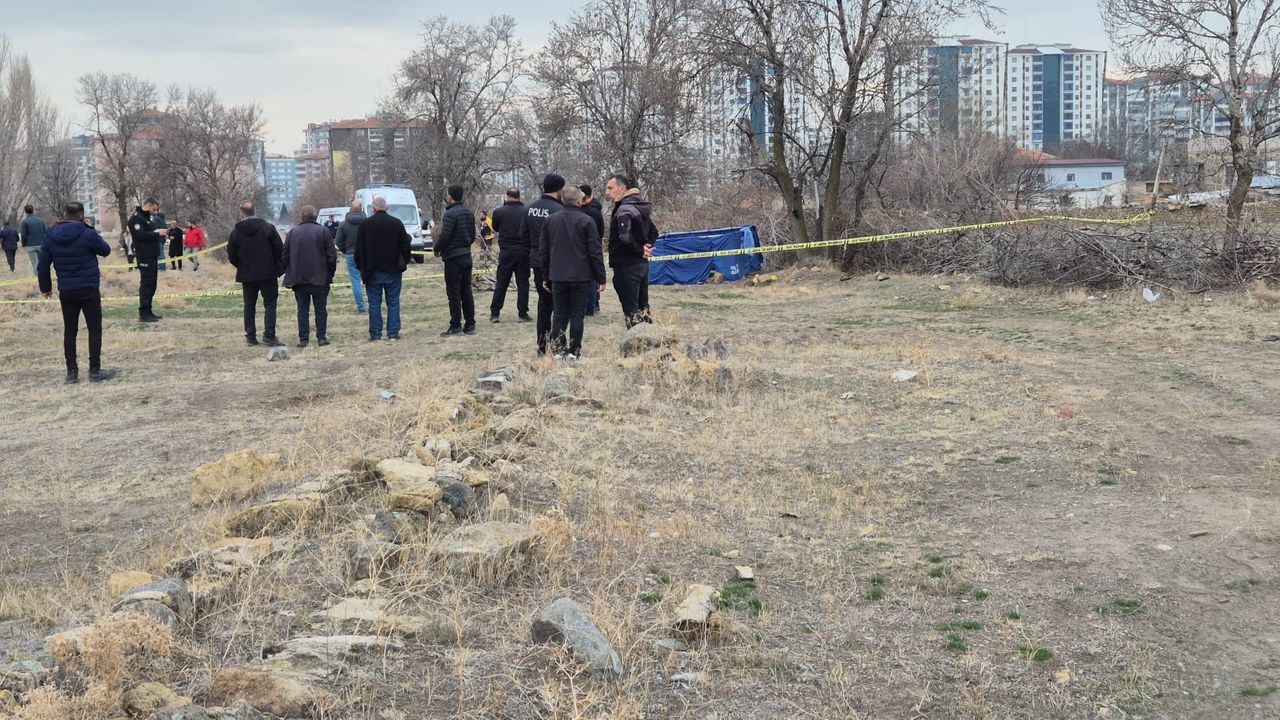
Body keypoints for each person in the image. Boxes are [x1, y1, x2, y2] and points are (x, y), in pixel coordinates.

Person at [37, 202, 116, 384]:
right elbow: (105, 250)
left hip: (66, 290)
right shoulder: (87, 233)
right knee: (94, 329)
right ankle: (94, 370)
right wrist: (91, 229)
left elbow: (42, 266)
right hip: (88, 288)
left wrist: (46, 288)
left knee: (70, 331)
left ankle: (71, 372)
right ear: (81, 215)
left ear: (65, 214)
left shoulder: (51, 234)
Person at [536, 185, 605, 359]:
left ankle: (559, 349)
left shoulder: (551, 220)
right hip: (581, 276)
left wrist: (545, 275)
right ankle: (574, 350)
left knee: (559, 314)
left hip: (558, 275)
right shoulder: (587, 221)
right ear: (579, 201)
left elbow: (544, 251)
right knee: (577, 314)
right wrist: (600, 277)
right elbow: (595, 251)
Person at [227, 201, 284, 346]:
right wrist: (277, 267)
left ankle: (250, 337)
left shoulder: (236, 232)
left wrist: (241, 266)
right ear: (255, 211)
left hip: (247, 274)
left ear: (242, 213)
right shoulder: (268, 228)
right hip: (268, 273)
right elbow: (279, 249)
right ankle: (269, 336)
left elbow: (231, 255)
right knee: (270, 304)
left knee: (249, 305)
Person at [355, 194, 411, 341]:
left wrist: (361, 266)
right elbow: (406, 245)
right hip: (393, 270)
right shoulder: (396, 223)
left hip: (371, 270)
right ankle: (393, 333)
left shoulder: (365, 225)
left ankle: (375, 334)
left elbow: (358, 249)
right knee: (393, 302)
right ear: (387, 208)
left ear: (373, 208)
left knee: (374, 303)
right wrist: (403, 262)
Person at [604, 174, 658, 327]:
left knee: (631, 310)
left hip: (627, 266)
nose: (607, 192)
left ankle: (637, 340)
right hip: (642, 265)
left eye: (610, 188)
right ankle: (651, 338)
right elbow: (654, 231)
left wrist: (641, 250)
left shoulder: (625, 209)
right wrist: (646, 247)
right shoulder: (639, 206)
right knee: (643, 307)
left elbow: (625, 237)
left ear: (622, 189)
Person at [523, 173, 566, 355]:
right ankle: (559, 345)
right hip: (556, 262)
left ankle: (542, 346)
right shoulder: (560, 210)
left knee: (543, 304)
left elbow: (523, 236)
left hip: (537, 261)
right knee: (559, 305)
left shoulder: (530, 209)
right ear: (559, 190)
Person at [283, 205, 337, 348]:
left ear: (301, 217)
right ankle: (321, 337)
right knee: (320, 308)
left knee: (302, 310)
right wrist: (329, 274)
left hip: (299, 278)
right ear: (315, 216)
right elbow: (332, 256)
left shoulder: (292, 233)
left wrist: (290, 272)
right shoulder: (324, 231)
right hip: (320, 277)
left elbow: (285, 256)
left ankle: (303, 339)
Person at [435, 184, 477, 337]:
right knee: (466, 291)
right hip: (466, 255)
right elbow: (472, 235)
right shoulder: (468, 212)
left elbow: (445, 236)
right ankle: (470, 324)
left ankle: (456, 326)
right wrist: (465, 245)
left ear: (451, 197)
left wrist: (437, 248)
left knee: (453, 293)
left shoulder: (450, 214)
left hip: (453, 258)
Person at [489, 188, 529, 324]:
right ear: (519, 196)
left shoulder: (499, 212)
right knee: (523, 283)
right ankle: (522, 313)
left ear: (507, 196)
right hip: (523, 250)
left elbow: (495, 228)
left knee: (502, 282)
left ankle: (495, 313)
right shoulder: (526, 211)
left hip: (506, 250)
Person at [128, 199, 168, 322]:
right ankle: (143, 313)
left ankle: (149, 311)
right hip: (144, 255)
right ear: (148, 206)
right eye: (154, 209)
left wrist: (158, 233)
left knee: (152, 284)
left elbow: (148, 232)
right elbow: (140, 235)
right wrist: (157, 233)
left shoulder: (146, 218)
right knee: (146, 284)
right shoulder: (136, 218)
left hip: (151, 255)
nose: (156, 211)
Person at [334, 200, 368, 313]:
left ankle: (361, 307)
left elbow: (338, 241)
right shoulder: (368, 223)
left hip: (351, 254)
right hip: (366, 254)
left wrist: (346, 250)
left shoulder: (343, 224)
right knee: (370, 279)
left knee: (355, 281)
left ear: (350, 209)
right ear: (361, 209)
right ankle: (372, 303)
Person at [578, 185, 605, 316]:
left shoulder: (582, 212)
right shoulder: (596, 211)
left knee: (588, 277)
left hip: (582, 248)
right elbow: (601, 231)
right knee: (593, 276)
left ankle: (589, 305)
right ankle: (593, 304)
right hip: (593, 246)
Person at [19, 205, 46, 278]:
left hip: (30, 245)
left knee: (34, 262)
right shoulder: (41, 220)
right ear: (33, 210)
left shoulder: (25, 222)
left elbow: (23, 235)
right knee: (42, 261)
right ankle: (44, 274)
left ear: (25, 211)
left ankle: (39, 276)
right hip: (41, 243)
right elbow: (45, 232)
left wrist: (23, 244)